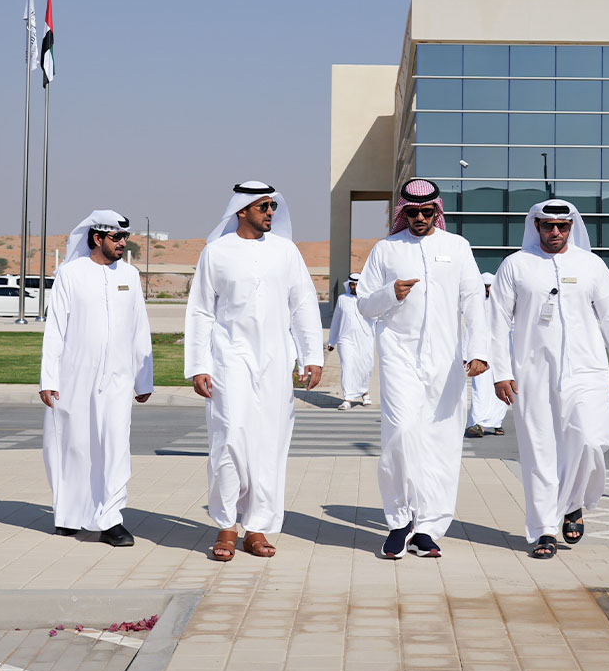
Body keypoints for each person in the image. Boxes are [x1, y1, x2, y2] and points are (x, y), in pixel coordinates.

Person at [185, 181, 323, 561]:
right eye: (263, 206)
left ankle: (257, 527)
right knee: (228, 438)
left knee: (269, 443)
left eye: (273, 206)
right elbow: (200, 310)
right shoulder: (216, 253)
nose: (270, 213)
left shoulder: (286, 251)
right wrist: (198, 365)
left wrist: (312, 356)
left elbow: (303, 305)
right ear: (242, 210)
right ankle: (227, 525)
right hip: (229, 359)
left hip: (277, 361)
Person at [489, 199, 609, 560]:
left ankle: (573, 501)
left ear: (572, 227)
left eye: (562, 225)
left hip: (587, 372)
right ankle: (544, 531)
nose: (555, 232)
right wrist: (501, 371)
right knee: (539, 451)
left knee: (588, 441)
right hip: (531, 373)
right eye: (547, 225)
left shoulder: (591, 266)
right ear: (535, 225)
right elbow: (496, 323)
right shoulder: (516, 266)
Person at [356, 178, 488, 559]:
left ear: (437, 210)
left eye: (426, 212)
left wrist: (478, 351)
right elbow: (364, 303)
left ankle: (428, 527)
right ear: (402, 212)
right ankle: (400, 520)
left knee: (442, 443)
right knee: (399, 434)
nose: (418, 218)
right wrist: (389, 294)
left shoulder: (457, 247)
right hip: (398, 355)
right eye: (410, 212)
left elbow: (473, 302)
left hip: (447, 360)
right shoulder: (386, 250)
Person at [39, 210, 153, 547]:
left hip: (118, 379)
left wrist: (143, 380)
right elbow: (55, 329)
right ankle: (69, 515)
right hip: (74, 376)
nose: (122, 243)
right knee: (73, 447)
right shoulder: (70, 274)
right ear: (97, 238)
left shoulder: (130, 276)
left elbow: (139, 329)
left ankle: (110, 519)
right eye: (116, 238)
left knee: (115, 446)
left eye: (125, 238)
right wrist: (49, 379)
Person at [465, 272, 509, 438]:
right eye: (485, 287)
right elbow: (469, 331)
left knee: (501, 384)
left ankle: (497, 422)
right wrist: (466, 354)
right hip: (481, 351)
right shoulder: (476, 304)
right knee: (480, 388)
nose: (488, 289)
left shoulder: (503, 302)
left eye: (490, 286)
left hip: (503, 351)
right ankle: (477, 423)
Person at [327, 272, 374, 411]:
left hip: (365, 338)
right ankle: (347, 399)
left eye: (357, 284)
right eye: (352, 284)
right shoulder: (342, 299)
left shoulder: (368, 299)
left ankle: (364, 392)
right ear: (349, 285)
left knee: (365, 367)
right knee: (347, 367)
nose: (355, 287)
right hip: (345, 339)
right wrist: (332, 341)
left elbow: (377, 317)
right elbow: (336, 320)